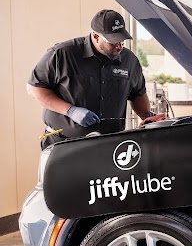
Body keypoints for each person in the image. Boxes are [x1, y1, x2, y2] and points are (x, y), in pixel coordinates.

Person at [27, 9, 167, 149]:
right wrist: (70, 111)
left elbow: (137, 94)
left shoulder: (129, 61)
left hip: (110, 146)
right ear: (95, 36)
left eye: (122, 41)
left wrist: (147, 116)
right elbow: (35, 88)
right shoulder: (62, 54)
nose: (119, 46)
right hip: (63, 144)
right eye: (113, 42)